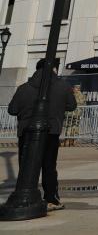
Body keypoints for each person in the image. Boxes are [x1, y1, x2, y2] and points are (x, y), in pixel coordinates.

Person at [7, 58, 77, 211]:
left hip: (26, 132)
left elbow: (12, 109)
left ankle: (23, 194)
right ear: (53, 70)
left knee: (26, 165)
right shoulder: (63, 87)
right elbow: (72, 106)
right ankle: (51, 198)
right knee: (49, 166)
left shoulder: (24, 88)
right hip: (51, 132)